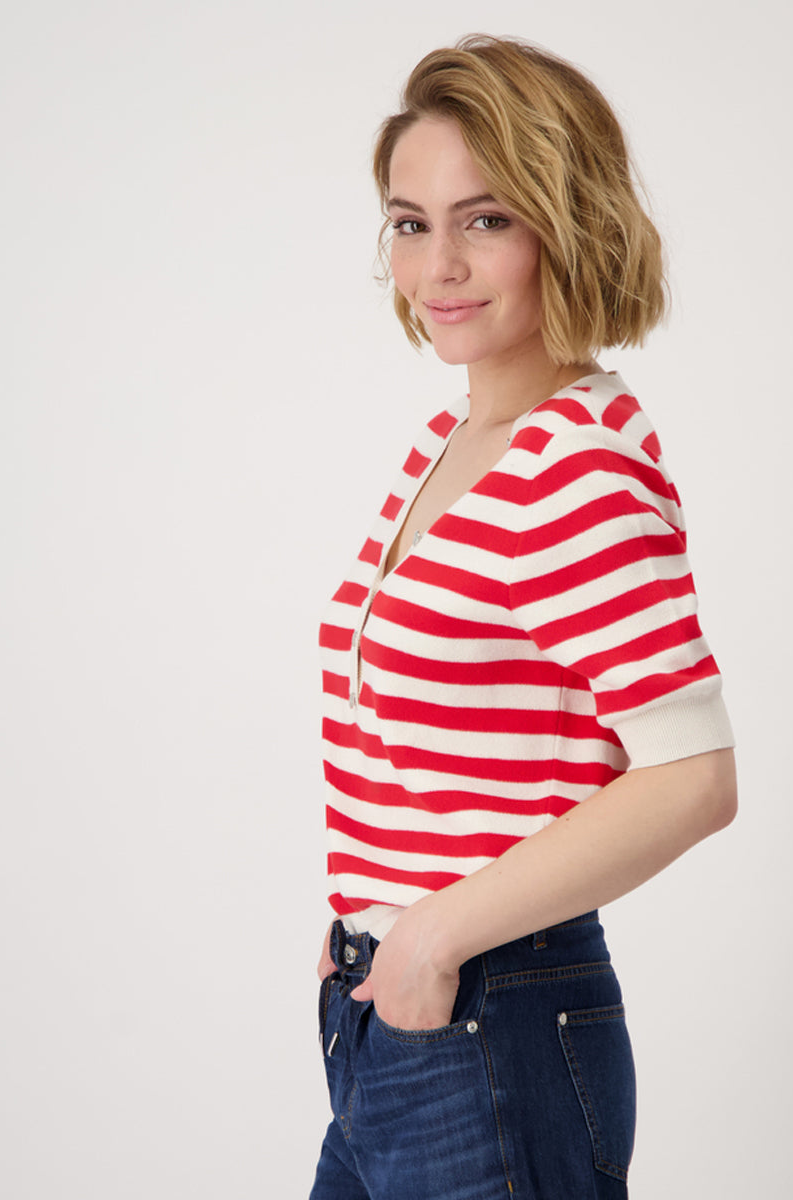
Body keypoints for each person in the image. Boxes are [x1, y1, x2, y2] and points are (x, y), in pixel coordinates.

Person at [310, 35, 736, 1200]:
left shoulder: (580, 465)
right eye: (410, 222)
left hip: (492, 1015)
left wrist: (433, 933)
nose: (439, 263)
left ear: (565, 218)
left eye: (485, 219)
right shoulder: (452, 447)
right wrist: (373, 916)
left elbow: (693, 776)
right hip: (392, 1019)